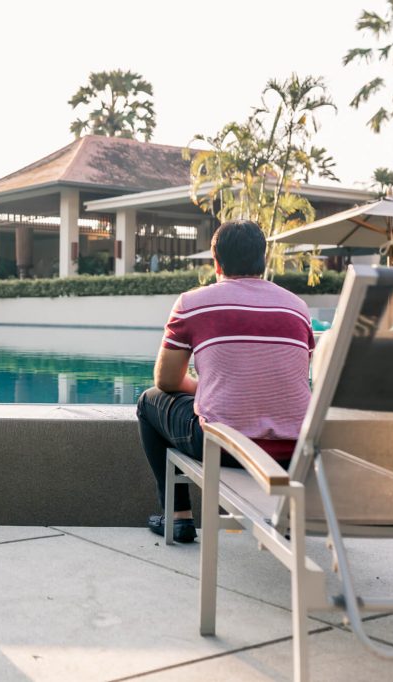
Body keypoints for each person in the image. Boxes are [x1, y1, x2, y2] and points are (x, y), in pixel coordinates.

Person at [137, 220, 314, 543]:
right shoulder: (298, 309)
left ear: (216, 262)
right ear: (264, 260)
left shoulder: (192, 304)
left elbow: (166, 380)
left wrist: (204, 388)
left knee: (149, 401)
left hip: (225, 448)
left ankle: (177, 518)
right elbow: (290, 380)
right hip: (293, 454)